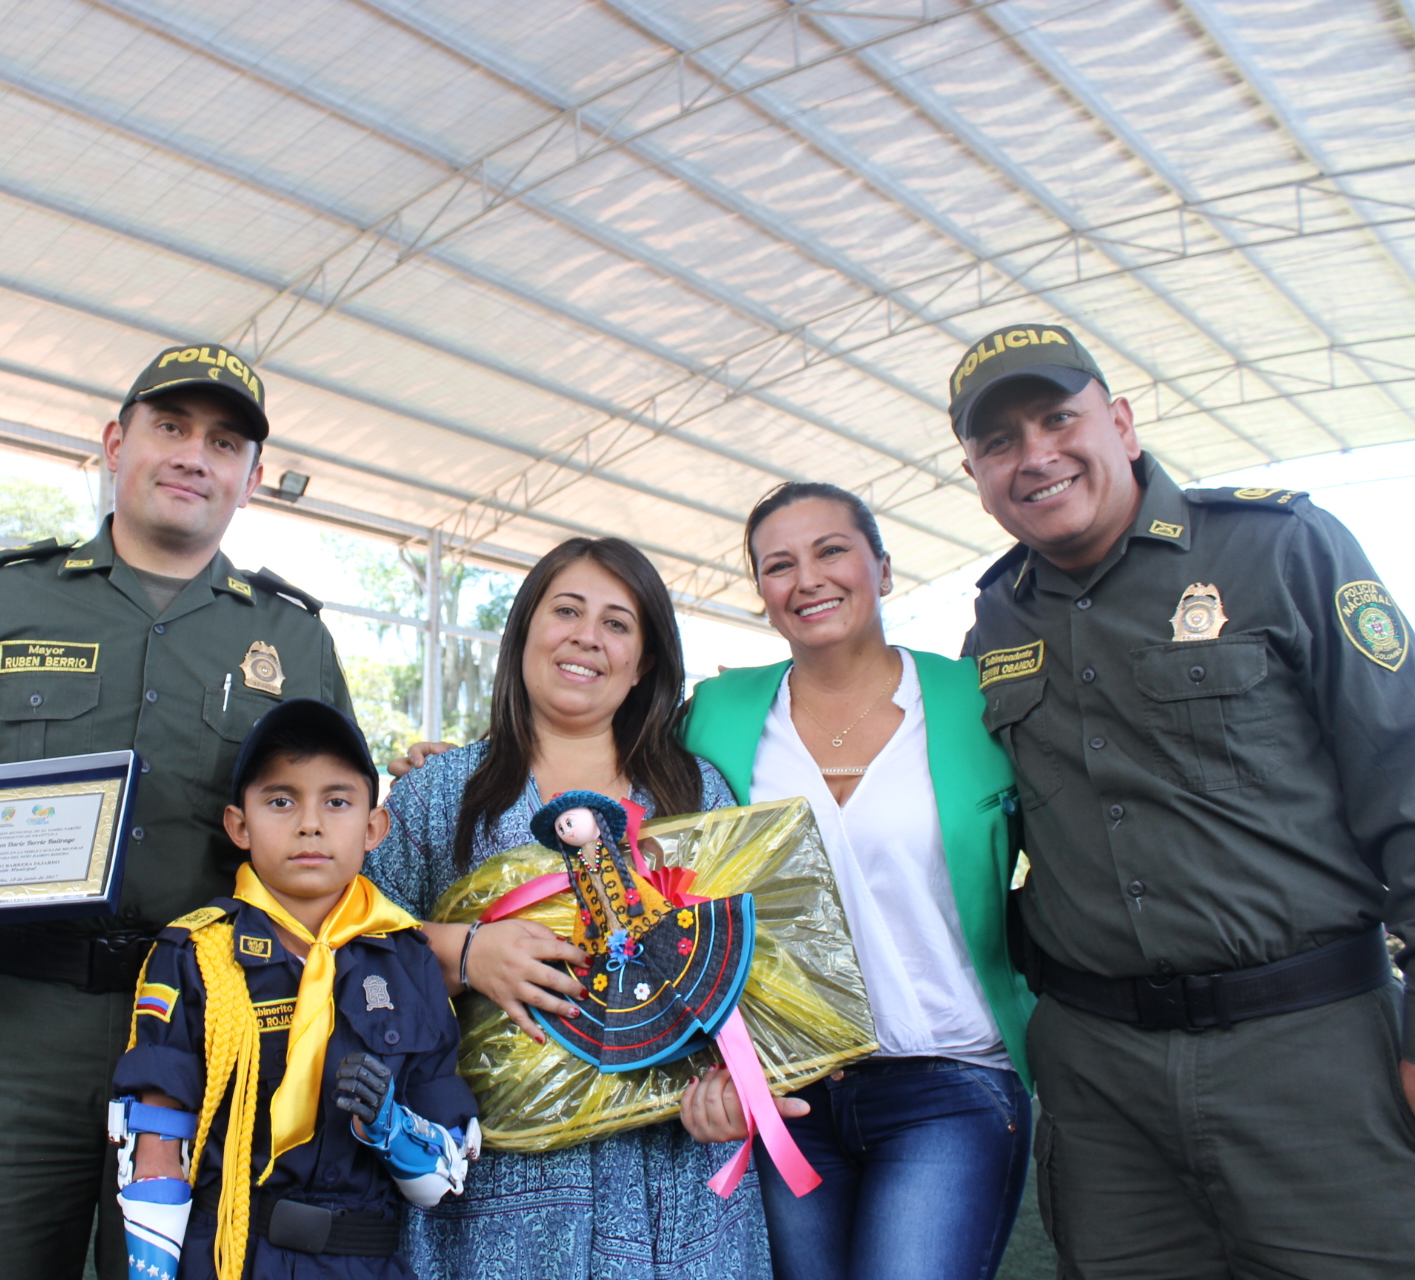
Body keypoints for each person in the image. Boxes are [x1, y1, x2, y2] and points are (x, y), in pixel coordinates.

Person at [0, 343, 355, 1280]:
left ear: (252, 478)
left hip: (207, 1047)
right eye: (171, 427)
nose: (196, 455)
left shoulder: (293, 641)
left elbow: (338, 839)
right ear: (116, 444)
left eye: (225, 441)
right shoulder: (2, 601)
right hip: (13, 1034)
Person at [951, 322, 1415, 1277]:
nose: (1035, 457)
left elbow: (1404, 774)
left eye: (1057, 418)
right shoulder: (993, 622)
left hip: (1311, 1050)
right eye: (999, 442)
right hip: (1100, 1080)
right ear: (975, 474)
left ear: (1119, 423)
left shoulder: (1279, 548)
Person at [365, 536, 794, 1280]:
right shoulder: (439, 795)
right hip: (495, 1190)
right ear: (525, 629)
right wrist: (464, 954)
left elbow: (749, 987)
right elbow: (349, 952)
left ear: (645, 662)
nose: (587, 637)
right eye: (566, 610)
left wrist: (733, 1094)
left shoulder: (697, 798)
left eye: (618, 623)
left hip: (677, 1184)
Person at [680, 482, 1034, 1280]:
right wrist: (455, 771)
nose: (807, 579)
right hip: (782, 1092)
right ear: (763, 594)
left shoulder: (979, 701)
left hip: (950, 1077)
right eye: (779, 564)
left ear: (881, 565)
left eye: (831, 551)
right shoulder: (714, 712)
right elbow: (602, 778)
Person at [112, 698, 477, 1280]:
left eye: (337, 802)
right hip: (231, 1255)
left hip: (366, 1261)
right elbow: (157, 1140)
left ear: (374, 827)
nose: (310, 823)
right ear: (239, 824)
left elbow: (438, 1183)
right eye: (281, 801)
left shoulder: (410, 961)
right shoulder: (194, 953)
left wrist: (392, 1128)